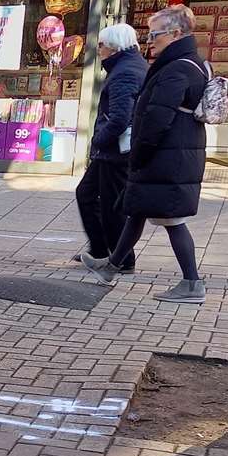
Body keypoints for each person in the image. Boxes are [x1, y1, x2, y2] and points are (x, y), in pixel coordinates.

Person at [82, 4, 208, 302]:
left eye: (155, 35)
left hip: (167, 155)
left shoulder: (177, 68)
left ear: (176, 33)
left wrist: (139, 152)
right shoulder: (187, 63)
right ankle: (111, 267)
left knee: (171, 219)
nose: (150, 41)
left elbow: (157, 117)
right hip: (171, 152)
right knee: (136, 209)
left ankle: (192, 283)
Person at [74, 23, 147, 271]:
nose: (99, 50)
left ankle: (122, 258)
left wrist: (98, 140)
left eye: (102, 45)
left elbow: (119, 118)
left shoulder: (125, 72)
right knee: (86, 194)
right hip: (111, 151)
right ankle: (99, 248)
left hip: (114, 152)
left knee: (111, 206)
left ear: (115, 46)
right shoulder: (127, 66)